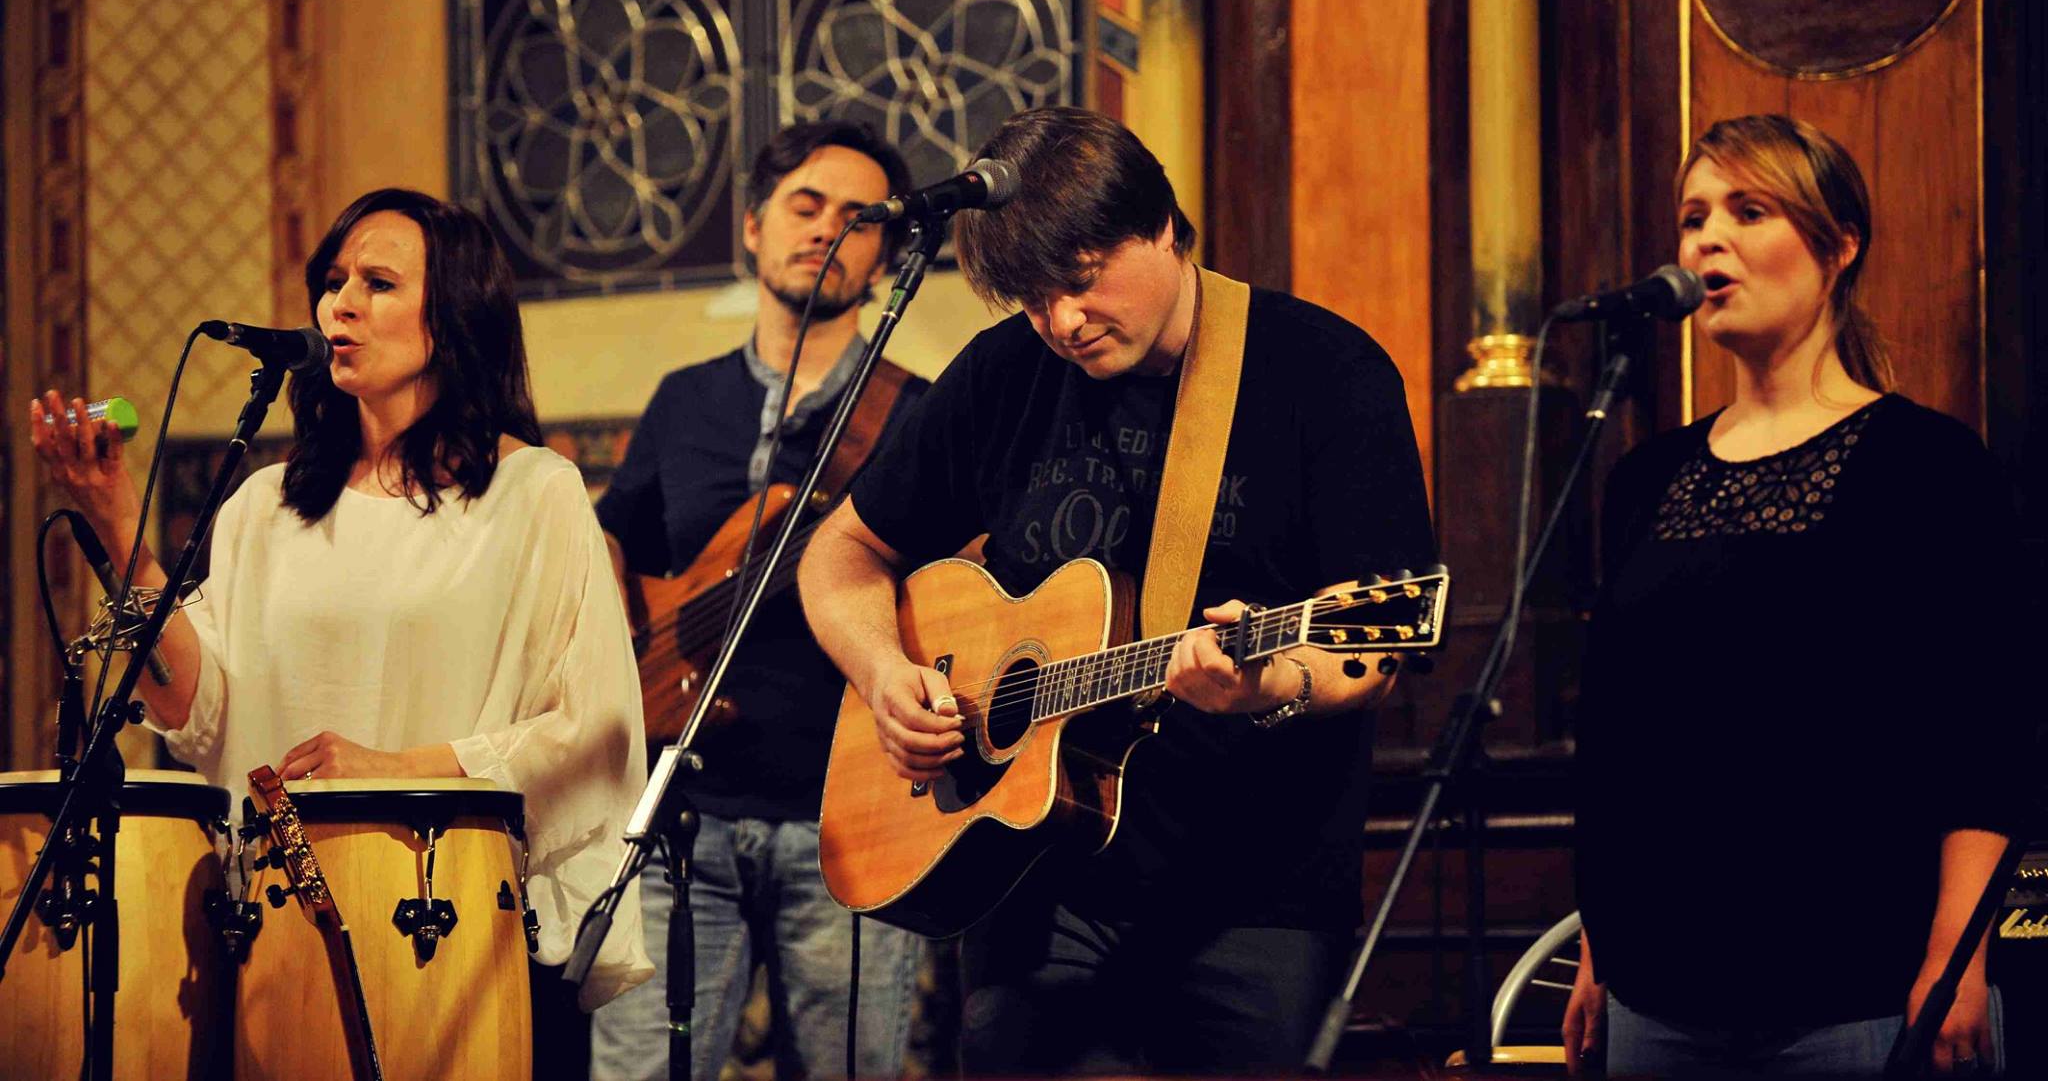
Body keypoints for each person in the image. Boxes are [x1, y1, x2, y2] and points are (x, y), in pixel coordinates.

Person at [796, 106, 1436, 1074]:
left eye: (1081, 279)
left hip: (1256, 904)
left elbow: (1376, 644)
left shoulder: (1324, 375)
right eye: (1032, 299)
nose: (1061, 322)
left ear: (1164, 227)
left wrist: (1269, 683)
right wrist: (884, 673)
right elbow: (839, 553)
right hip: (1034, 888)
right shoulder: (1003, 377)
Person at [29, 188, 653, 1075]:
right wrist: (117, 521)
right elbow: (196, 708)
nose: (341, 304)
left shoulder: (533, 493)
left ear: (455, 312)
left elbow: (595, 726)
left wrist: (396, 770)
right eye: (333, 281)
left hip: (446, 910)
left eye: (378, 282)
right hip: (279, 913)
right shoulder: (267, 504)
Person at [1564, 115, 2025, 1076]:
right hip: (1658, 994)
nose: (1708, 241)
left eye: (1749, 211)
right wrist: (1601, 954)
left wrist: (1955, 963)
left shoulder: (1926, 464)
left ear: (1838, 244)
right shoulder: (1646, 478)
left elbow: (1983, 734)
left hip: (1853, 991)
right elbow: (1618, 738)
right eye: (1694, 217)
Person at [588, 121, 931, 1081]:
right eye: (804, 206)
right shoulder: (684, 398)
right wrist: (626, 628)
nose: (826, 229)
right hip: (679, 814)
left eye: (857, 218)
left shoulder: (920, 412)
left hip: (850, 819)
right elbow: (616, 536)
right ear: (753, 226)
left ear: (885, 258)